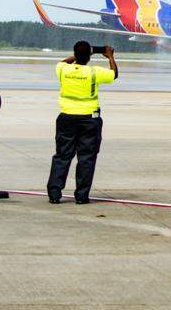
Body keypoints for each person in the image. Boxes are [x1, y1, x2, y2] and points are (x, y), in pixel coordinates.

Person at [47, 41, 118, 204]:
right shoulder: (94, 72)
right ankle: (81, 196)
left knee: (62, 156)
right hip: (89, 120)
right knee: (86, 158)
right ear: (88, 57)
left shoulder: (63, 70)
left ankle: (54, 194)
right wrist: (111, 57)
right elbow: (114, 74)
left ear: (75, 54)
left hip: (67, 118)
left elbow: (63, 62)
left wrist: (85, 53)